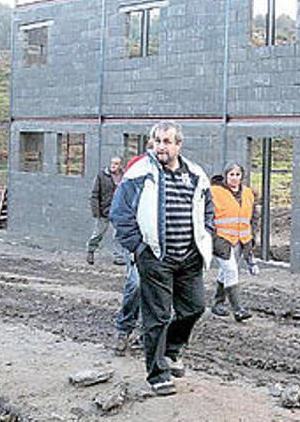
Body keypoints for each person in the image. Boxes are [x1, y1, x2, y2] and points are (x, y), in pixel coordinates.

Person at [110, 120, 213, 396]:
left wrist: (206, 238)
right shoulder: (139, 173)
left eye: (167, 141)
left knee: (195, 307)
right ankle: (158, 373)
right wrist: (139, 248)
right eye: (157, 141)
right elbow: (119, 213)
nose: (161, 146)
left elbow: (209, 211)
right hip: (155, 257)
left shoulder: (196, 175)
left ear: (178, 144)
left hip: (189, 257)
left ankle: (172, 349)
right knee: (156, 315)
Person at [112, 135, 156, 356]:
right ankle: (123, 330)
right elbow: (121, 210)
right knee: (136, 285)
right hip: (139, 243)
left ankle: (151, 335)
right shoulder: (136, 169)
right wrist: (135, 244)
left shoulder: (175, 172)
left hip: (164, 244)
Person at [210, 161, 260, 322]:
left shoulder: (247, 193)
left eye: (237, 175)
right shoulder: (214, 192)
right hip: (221, 240)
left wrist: (251, 239)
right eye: (231, 174)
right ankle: (238, 310)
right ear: (226, 176)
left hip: (241, 239)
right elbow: (207, 215)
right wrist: (212, 237)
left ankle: (217, 303)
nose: (234, 178)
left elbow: (253, 217)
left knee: (225, 271)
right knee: (231, 270)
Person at [86, 157, 127, 265]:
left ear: (120, 165)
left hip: (118, 210)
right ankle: (90, 250)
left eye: (117, 164)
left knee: (118, 234)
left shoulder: (124, 176)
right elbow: (95, 193)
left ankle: (118, 256)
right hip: (104, 210)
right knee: (98, 233)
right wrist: (96, 211)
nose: (113, 165)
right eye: (112, 163)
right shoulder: (102, 175)